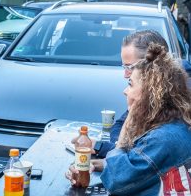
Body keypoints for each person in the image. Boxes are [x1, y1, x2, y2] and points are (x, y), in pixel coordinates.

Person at [69, 43, 191, 195]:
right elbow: (144, 166)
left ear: (150, 94)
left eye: (130, 84)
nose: (125, 91)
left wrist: (129, 121)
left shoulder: (162, 138)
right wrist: (99, 164)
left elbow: (115, 181)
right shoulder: (172, 125)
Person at [93, 30, 169, 158]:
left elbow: (140, 157)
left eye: (130, 67)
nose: (125, 75)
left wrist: (105, 148)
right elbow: (118, 125)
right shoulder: (150, 96)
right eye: (124, 67)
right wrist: (118, 146)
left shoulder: (172, 106)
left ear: (152, 65)